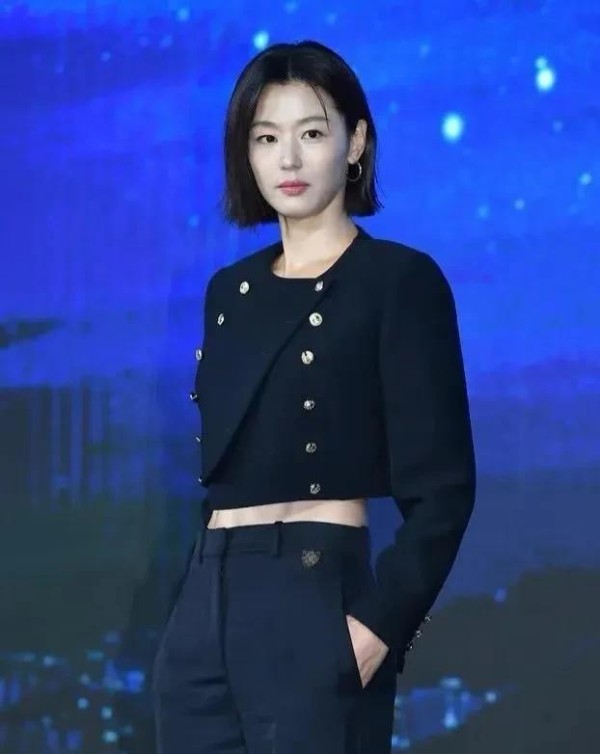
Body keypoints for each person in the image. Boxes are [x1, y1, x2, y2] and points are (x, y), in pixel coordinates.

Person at [152, 39, 476, 754]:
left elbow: (444, 490)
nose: (288, 160)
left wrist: (378, 628)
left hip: (313, 590)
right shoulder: (228, 291)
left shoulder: (399, 281)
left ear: (355, 142)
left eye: (311, 133)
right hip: (204, 604)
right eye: (266, 138)